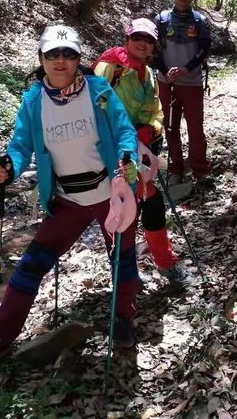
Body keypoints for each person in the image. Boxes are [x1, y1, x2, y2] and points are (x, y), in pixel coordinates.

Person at [0, 24, 140, 373]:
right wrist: (9, 168)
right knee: (30, 266)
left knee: (123, 258)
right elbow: (20, 147)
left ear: (78, 58)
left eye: (69, 54)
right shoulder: (33, 101)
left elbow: (123, 131)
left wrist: (127, 158)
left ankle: (122, 318)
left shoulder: (98, 90)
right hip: (66, 201)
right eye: (53, 54)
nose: (61, 60)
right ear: (41, 58)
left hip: (111, 194)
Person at [93, 18, 192, 290]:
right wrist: (126, 134)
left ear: (154, 46)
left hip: (140, 152)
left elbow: (155, 110)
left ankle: (161, 264)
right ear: (127, 38)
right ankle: (127, 273)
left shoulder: (147, 74)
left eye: (148, 40)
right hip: (111, 152)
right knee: (122, 210)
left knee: (150, 203)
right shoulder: (110, 67)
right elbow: (93, 107)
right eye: (137, 37)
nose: (142, 43)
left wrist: (151, 128)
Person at [153, 0, 213, 202]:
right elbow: (153, 50)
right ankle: (175, 169)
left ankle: (200, 169)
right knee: (170, 127)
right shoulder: (161, 19)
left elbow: (204, 50)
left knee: (196, 127)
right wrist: (165, 71)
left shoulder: (200, 21)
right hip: (166, 82)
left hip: (192, 82)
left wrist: (186, 69)